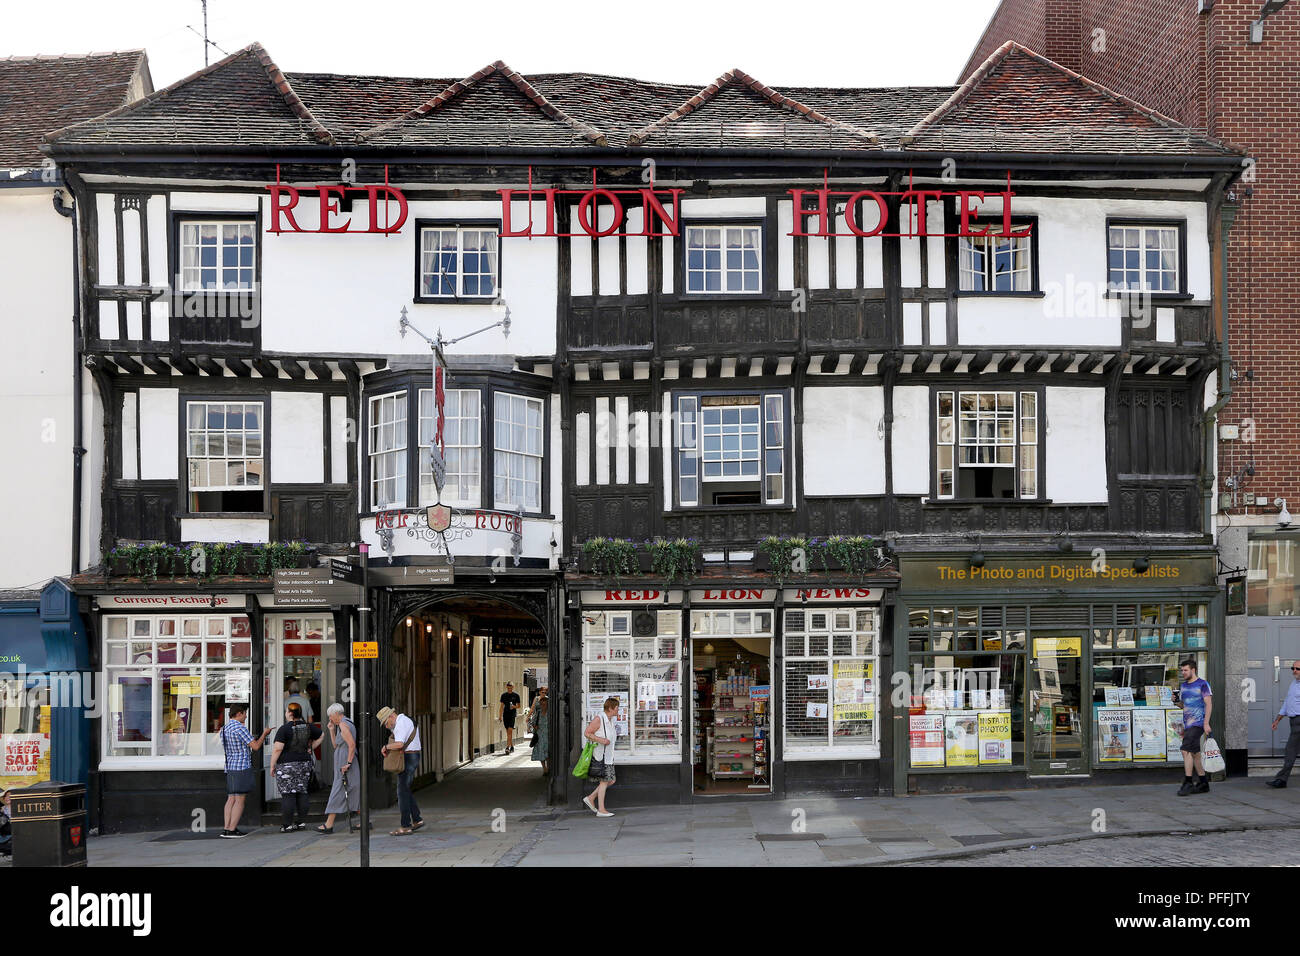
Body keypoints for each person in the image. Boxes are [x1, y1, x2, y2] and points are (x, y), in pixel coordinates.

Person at [219, 702, 271, 838]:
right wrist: (265, 734)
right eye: (245, 713)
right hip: (241, 766)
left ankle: (226, 828)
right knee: (240, 800)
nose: (246, 716)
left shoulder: (224, 729)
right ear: (239, 714)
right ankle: (232, 829)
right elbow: (256, 746)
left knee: (231, 798)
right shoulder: (240, 728)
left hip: (230, 767)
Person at [270, 702, 322, 832]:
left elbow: (277, 749)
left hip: (286, 764)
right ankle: (301, 822)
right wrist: (310, 747)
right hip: (304, 763)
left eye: (287, 711)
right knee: (302, 792)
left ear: (291, 714)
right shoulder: (308, 727)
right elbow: (322, 735)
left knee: (288, 794)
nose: (286, 713)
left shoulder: (284, 729)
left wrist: (272, 765)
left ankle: (287, 825)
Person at [377, 705, 424, 835]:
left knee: (401, 791)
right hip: (412, 755)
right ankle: (417, 819)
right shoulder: (404, 720)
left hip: (409, 757)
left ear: (391, 716)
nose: (386, 726)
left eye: (386, 723)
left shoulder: (400, 724)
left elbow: (400, 744)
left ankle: (406, 826)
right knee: (405, 789)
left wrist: (386, 746)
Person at [318, 703, 359, 832]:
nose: (330, 719)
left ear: (337, 714)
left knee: (338, 789)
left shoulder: (343, 724)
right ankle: (365, 820)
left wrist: (348, 763)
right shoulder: (344, 724)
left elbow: (351, 745)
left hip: (345, 763)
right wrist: (331, 730)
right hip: (344, 762)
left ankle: (329, 824)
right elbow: (336, 745)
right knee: (353, 790)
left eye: (331, 716)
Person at [1177, 659, 1213, 796]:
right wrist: (1176, 702)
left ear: (1193, 670)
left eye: (1185, 670)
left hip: (1198, 724)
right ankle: (1203, 782)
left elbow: (1209, 704)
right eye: (1182, 670)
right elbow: (1183, 705)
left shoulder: (1203, 684)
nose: (1183, 673)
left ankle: (1188, 782)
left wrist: (1206, 723)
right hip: (1188, 724)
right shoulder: (1184, 686)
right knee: (1194, 753)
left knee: (1185, 750)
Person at [582, 696, 619, 818]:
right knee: (604, 781)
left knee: (611, 780)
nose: (618, 710)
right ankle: (601, 810)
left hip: (608, 756)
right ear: (610, 708)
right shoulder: (599, 718)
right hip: (601, 756)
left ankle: (591, 797)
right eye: (616, 708)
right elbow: (587, 733)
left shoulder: (610, 720)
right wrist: (601, 740)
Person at [1266, 659, 1300, 788]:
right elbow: (1287, 703)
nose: (1294, 671)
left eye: (1297, 669)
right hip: (1294, 722)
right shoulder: (1293, 684)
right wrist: (1277, 720)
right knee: (1290, 750)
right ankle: (1281, 780)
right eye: (1293, 668)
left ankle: (1281, 779)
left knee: (1290, 750)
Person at [528, 687, 550, 775]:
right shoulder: (538, 713)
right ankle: (544, 768)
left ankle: (548, 767)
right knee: (541, 750)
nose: (543, 705)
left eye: (545, 704)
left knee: (547, 751)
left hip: (548, 734)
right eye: (542, 704)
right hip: (540, 734)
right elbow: (533, 721)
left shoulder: (550, 714)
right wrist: (536, 728)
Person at [499, 682, 521, 754]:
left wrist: (514, 707)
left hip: (512, 715)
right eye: (508, 688)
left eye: (511, 688)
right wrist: (500, 716)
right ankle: (511, 746)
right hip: (505, 715)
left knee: (510, 731)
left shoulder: (516, 695)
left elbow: (519, 706)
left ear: (513, 687)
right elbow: (502, 706)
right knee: (508, 732)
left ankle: (507, 748)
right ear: (506, 687)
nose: (509, 689)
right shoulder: (503, 695)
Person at [0, 788, 11, 857]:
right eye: (5, 796)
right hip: (4, 833)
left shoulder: (19, 809)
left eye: (9, 796)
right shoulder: (2, 810)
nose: (7, 798)